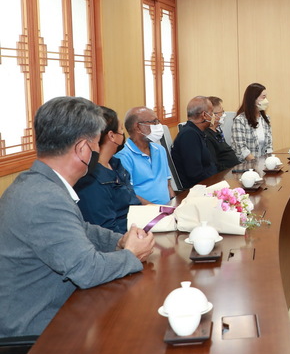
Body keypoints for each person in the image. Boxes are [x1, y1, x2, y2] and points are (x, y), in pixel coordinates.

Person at [0, 97, 155, 338]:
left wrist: (119, 241)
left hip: (61, 313)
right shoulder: (44, 198)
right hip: (38, 335)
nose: (97, 151)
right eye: (96, 144)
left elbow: (80, 229)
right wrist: (131, 255)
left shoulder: (40, 183)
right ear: (83, 149)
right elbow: (88, 270)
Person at [74, 106, 141, 233]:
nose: (123, 133)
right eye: (121, 128)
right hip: (122, 242)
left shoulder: (115, 164)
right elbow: (106, 230)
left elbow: (132, 201)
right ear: (112, 136)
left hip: (138, 226)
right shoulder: (91, 180)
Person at [115, 106, 175, 204]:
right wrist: (156, 209)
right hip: (145, 213)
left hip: (166, 210)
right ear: (138, 127)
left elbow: (167, 184)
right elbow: (130, 195)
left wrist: (173, 203)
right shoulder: (123, 157)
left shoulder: (160, 150)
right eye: (154, 122)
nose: (158, 125)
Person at [171, 96, 218, 188]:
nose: (213, 116)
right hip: (196, 189)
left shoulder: (197, 132)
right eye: (212, 112)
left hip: (208, 183)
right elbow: (194, 174)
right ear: (204, 115)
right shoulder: (189, 135)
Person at [232, 83, 273, 161]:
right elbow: (242, 149)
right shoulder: (240, 120)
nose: (266, 101)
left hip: (264, 165)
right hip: (247, 167)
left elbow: (269, 146)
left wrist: (270, 163)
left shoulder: (265, 119)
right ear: (253, 99)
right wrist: (256, 165)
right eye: (263, 97)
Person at [206, 96, 240, 171]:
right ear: (212, 115)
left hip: (235, 169)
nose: (224, 115)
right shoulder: (207, 136)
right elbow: (215, 164)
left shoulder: (217, 131)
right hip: (226, 174)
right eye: (221, 112)